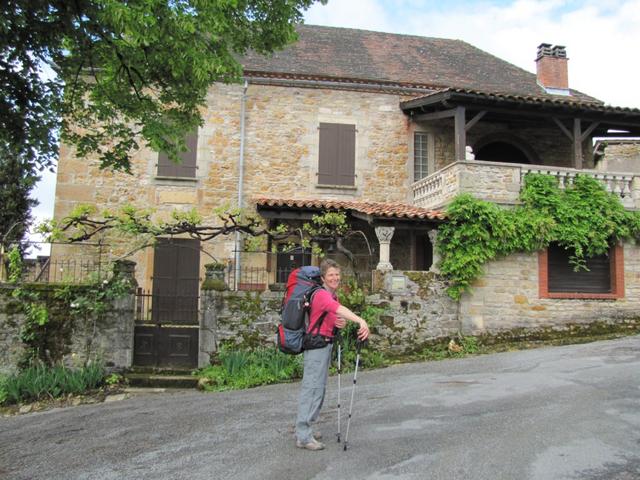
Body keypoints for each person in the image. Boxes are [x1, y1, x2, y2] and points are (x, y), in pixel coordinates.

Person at [295, 258, 370, 451]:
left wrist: (339, 323)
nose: (335, 278)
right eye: (330, 275)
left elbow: (333, 316)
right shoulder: (321, 294)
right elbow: (338, 309)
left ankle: (308, 426)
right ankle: (303, 436)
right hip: (316, 347)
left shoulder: (332, 296)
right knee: (312, 389)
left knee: (318, 389)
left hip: (325, 345)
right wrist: (360, 321)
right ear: (322, 277)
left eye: (337, 274)